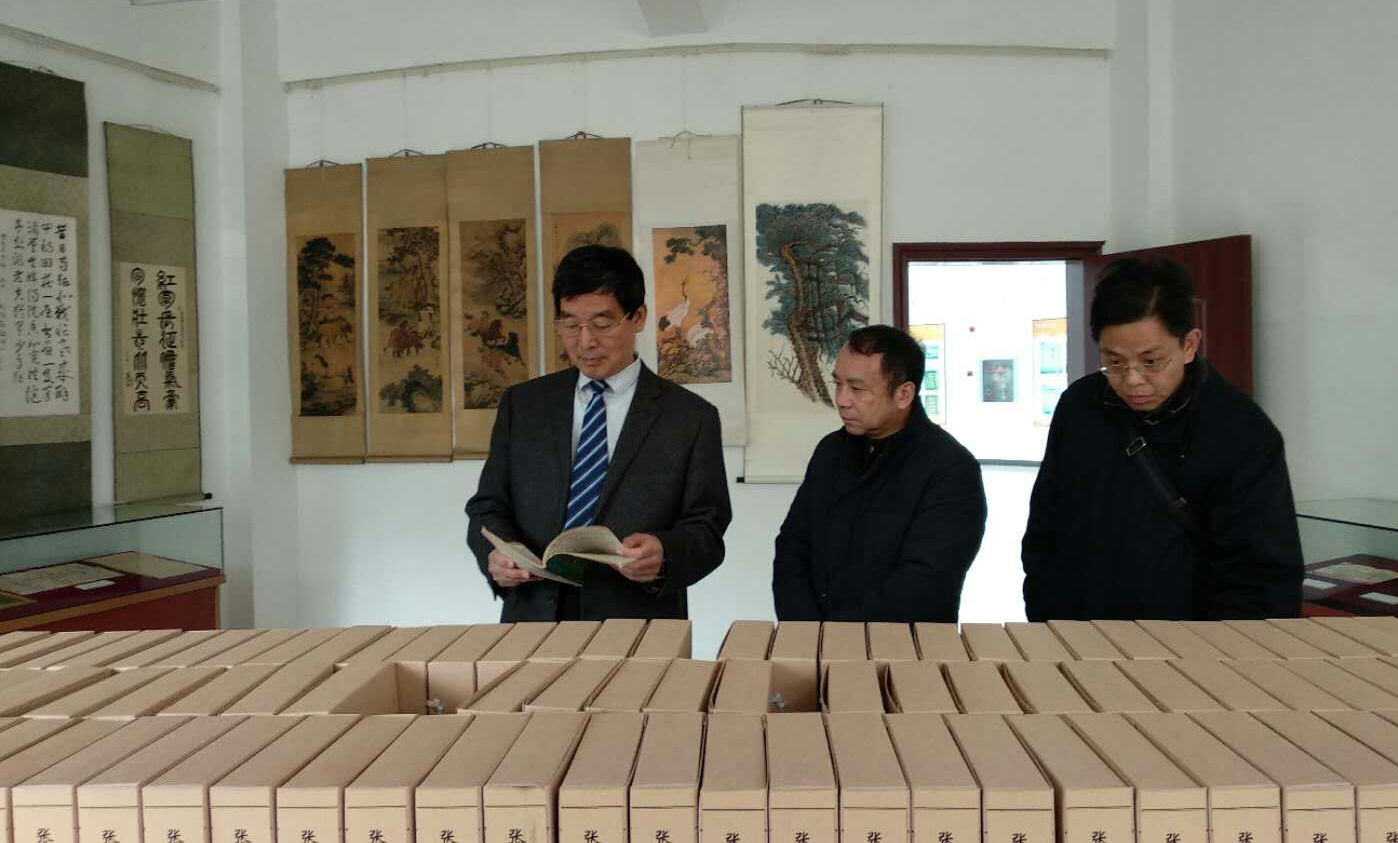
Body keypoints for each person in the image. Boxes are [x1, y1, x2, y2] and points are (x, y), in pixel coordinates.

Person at [1022, 257, 1302, 620]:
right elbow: (1045, 527)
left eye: (1151, 361)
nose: (1133, 380)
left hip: (1185, 644)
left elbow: (1262, 581)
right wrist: (1046, 616)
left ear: (1189, 345)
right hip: (1077, 633)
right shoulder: (1079, 406)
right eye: (1114, 362)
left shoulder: (1242, 433)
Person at [465, 245, 732, 621]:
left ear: (637, 317)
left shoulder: (690, 417)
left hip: (637, 626)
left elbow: (707, 529)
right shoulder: (523, 405)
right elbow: (487, 506)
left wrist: (665, 554)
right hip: (531, 619)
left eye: (602, 324)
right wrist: (495, 555)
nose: (585, 341)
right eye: (570, 324)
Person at [773, 325, 987, 622]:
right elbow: (793, 545)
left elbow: (925, 583)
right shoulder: (830, 451)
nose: (842, 399)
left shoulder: (950, 468)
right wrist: (804, 626)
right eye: (838, 383)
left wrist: (836, 634)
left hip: (903, 645)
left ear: (903, 394)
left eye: (857, 388)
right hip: (813, 639)